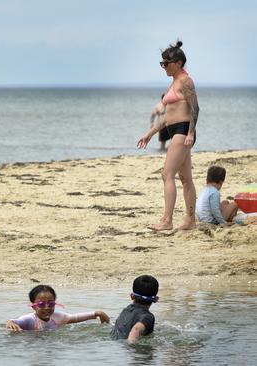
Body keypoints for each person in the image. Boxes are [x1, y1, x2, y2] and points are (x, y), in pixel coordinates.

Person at [137, 40, 200, 231]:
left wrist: (190, 134)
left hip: (183, 131)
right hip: (175, 130)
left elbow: (195, 108)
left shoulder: (186, 81)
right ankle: (190, 221)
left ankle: (167, 221)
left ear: (178, 63)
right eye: (161, 63)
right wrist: (150, 133)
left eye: (166, 63)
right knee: (185, 178)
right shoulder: (174, 83)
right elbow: (167, 117)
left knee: (167, 174)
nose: (163, 66)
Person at [6, 284, 109, 332]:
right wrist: (11, 323)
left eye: (51, 304)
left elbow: (75, 318)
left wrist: (98, 313)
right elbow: (13, 321)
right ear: (33, 306)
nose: (47, 308)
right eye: (41, 304)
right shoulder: (29, 319)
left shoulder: (58, 317)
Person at [111, 275, 159, 343]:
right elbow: (136, 330)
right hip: (129, 350)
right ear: (155, 299)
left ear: (132, 296)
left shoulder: (126, 310)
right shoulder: (148, 317)